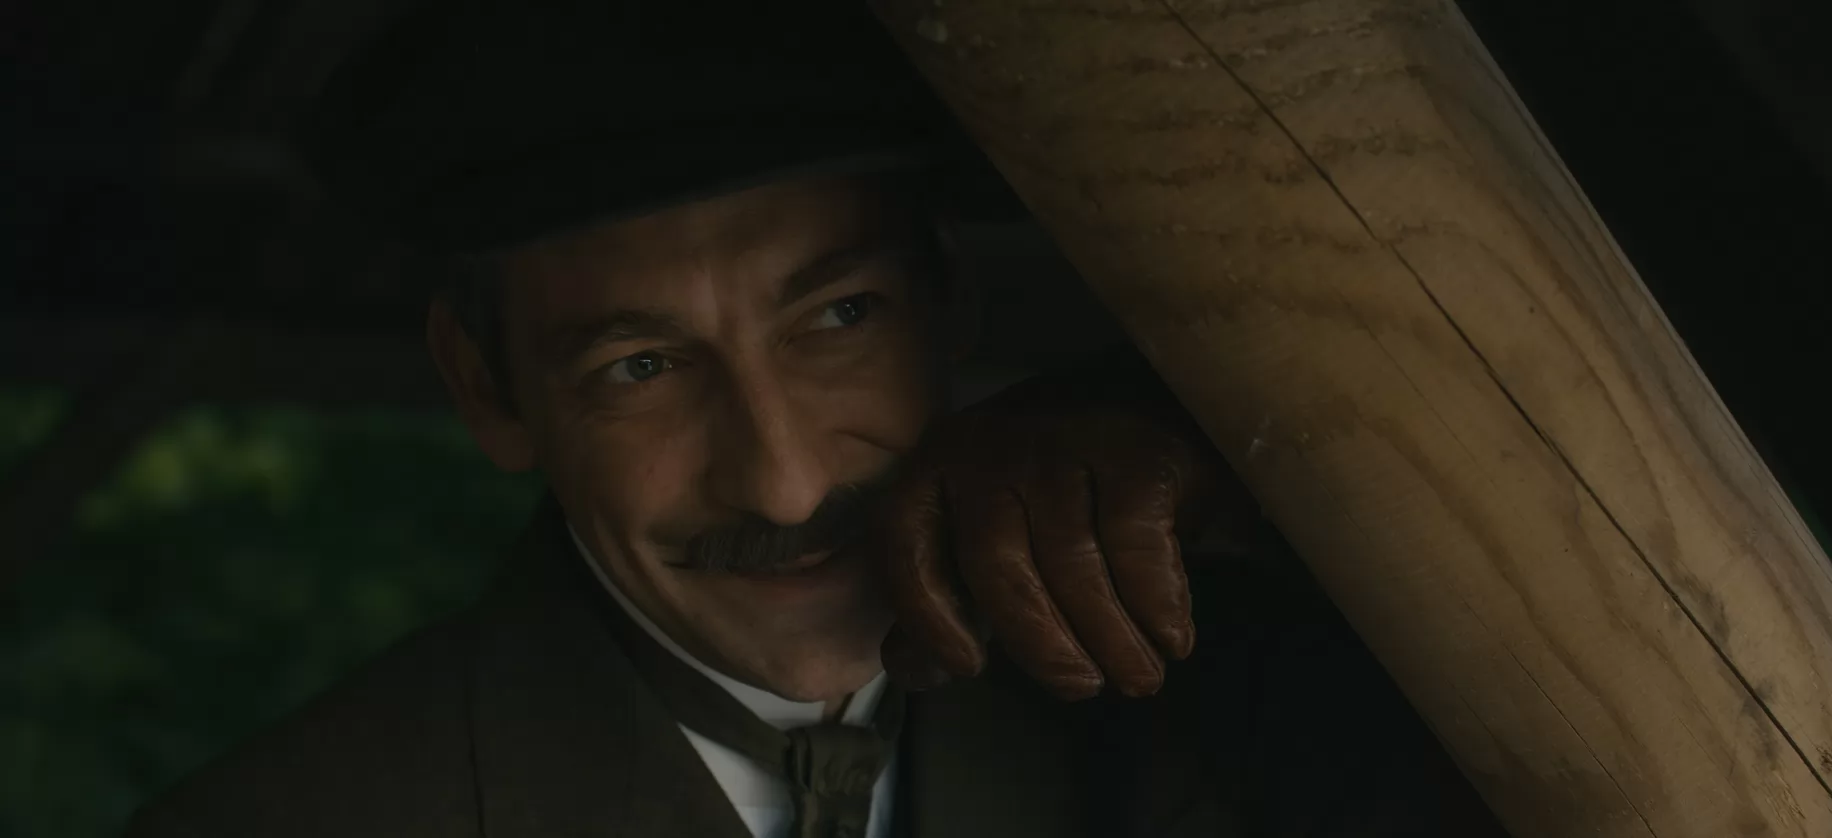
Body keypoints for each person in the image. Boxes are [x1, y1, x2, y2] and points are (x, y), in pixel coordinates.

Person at [127, 2, 1503, 836]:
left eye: (841, 315)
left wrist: (1244, 470)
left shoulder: (1226, 706)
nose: (785, 487)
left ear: (951, 302)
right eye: (640, 368)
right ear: (487, 388)